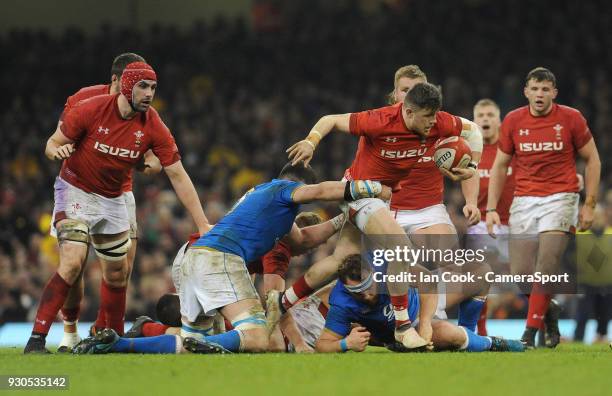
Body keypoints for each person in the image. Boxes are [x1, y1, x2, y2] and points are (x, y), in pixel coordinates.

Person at [74, 162, 389, 354]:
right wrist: (364, 189)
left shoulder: (269, 208)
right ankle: (213, 343)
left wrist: (341, 220)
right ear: (296, 184)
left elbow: (303, 239)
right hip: (221, 259)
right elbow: (319, 192)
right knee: (257, 338)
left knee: (190, 343)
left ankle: (114, 344)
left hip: (195, 258)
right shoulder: (283, 189)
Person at [24, 61, 211, 354]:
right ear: (125, 85)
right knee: (73, 262)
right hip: (76, 190)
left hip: (113, 198)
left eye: (153, 88)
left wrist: (202, 223)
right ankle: (36, 339)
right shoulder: (89, 107)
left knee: (116, 274)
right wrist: (55, 151)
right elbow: (52, 142)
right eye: (143, 86)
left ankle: (111, 339)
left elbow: (177, 173)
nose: (150, 93)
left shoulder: (153, 124)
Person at [280, 82, 483, 349]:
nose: (432, 123)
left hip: (380, 199)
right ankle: (402, 327)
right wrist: (311, 140)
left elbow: (474, 131)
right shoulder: (380, 120)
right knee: (400, 246)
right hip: (357, 192)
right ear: (409, 112)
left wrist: (473, 166)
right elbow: (330, 119)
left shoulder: (438, 122)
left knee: (340, 260)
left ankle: (281, 302)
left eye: (435, 116)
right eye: (427, 117)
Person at [55, 52, 163, 352]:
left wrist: (148, 163)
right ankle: (69, 331)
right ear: (116, 80)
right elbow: (61, 140)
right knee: (73, 265)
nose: (141, 93)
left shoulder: (144, 110)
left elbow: (154, 156)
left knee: (122, 268)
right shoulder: (84, 100)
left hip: (120, 193)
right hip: (81, 189)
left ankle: (103, 330)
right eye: (135, 85)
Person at [486, 67, 601, 348]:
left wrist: (589, 204)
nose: (540, 94)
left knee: (546, 265)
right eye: (535, 89)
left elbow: (593, 160)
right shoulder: (513, 120)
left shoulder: (571, 118)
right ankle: (548, 311)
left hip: (561, 197)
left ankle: (528, 333)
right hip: (524, 200)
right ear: (526, 91)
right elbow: (500, 166)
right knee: (520, 274)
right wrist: (491, 209)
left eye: (545, 89)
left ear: (554, 93)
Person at [314, 255, 524, 353]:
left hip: (424, 299)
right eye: (358, 293)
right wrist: (345, 344)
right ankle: (490, 343)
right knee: (451, 335)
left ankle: (469, 336)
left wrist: (425, 322)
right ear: (348, 290)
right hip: (405, 333)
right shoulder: (342, 302)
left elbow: (427, 280)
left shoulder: (385, 265)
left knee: (482, 271)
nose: (367, 295)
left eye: (370, 287)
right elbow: (323, 344)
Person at [466, 98, 516, 335]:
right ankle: (481, 330)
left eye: (490, 115)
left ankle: (544, 315)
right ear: (474, 122)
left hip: (516, 223)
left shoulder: (512, 148)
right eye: (480, 115)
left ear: (499, 120)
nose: (485, 119)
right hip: (481, 224)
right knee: (480, 274)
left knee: (526, 278)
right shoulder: (467, 151)